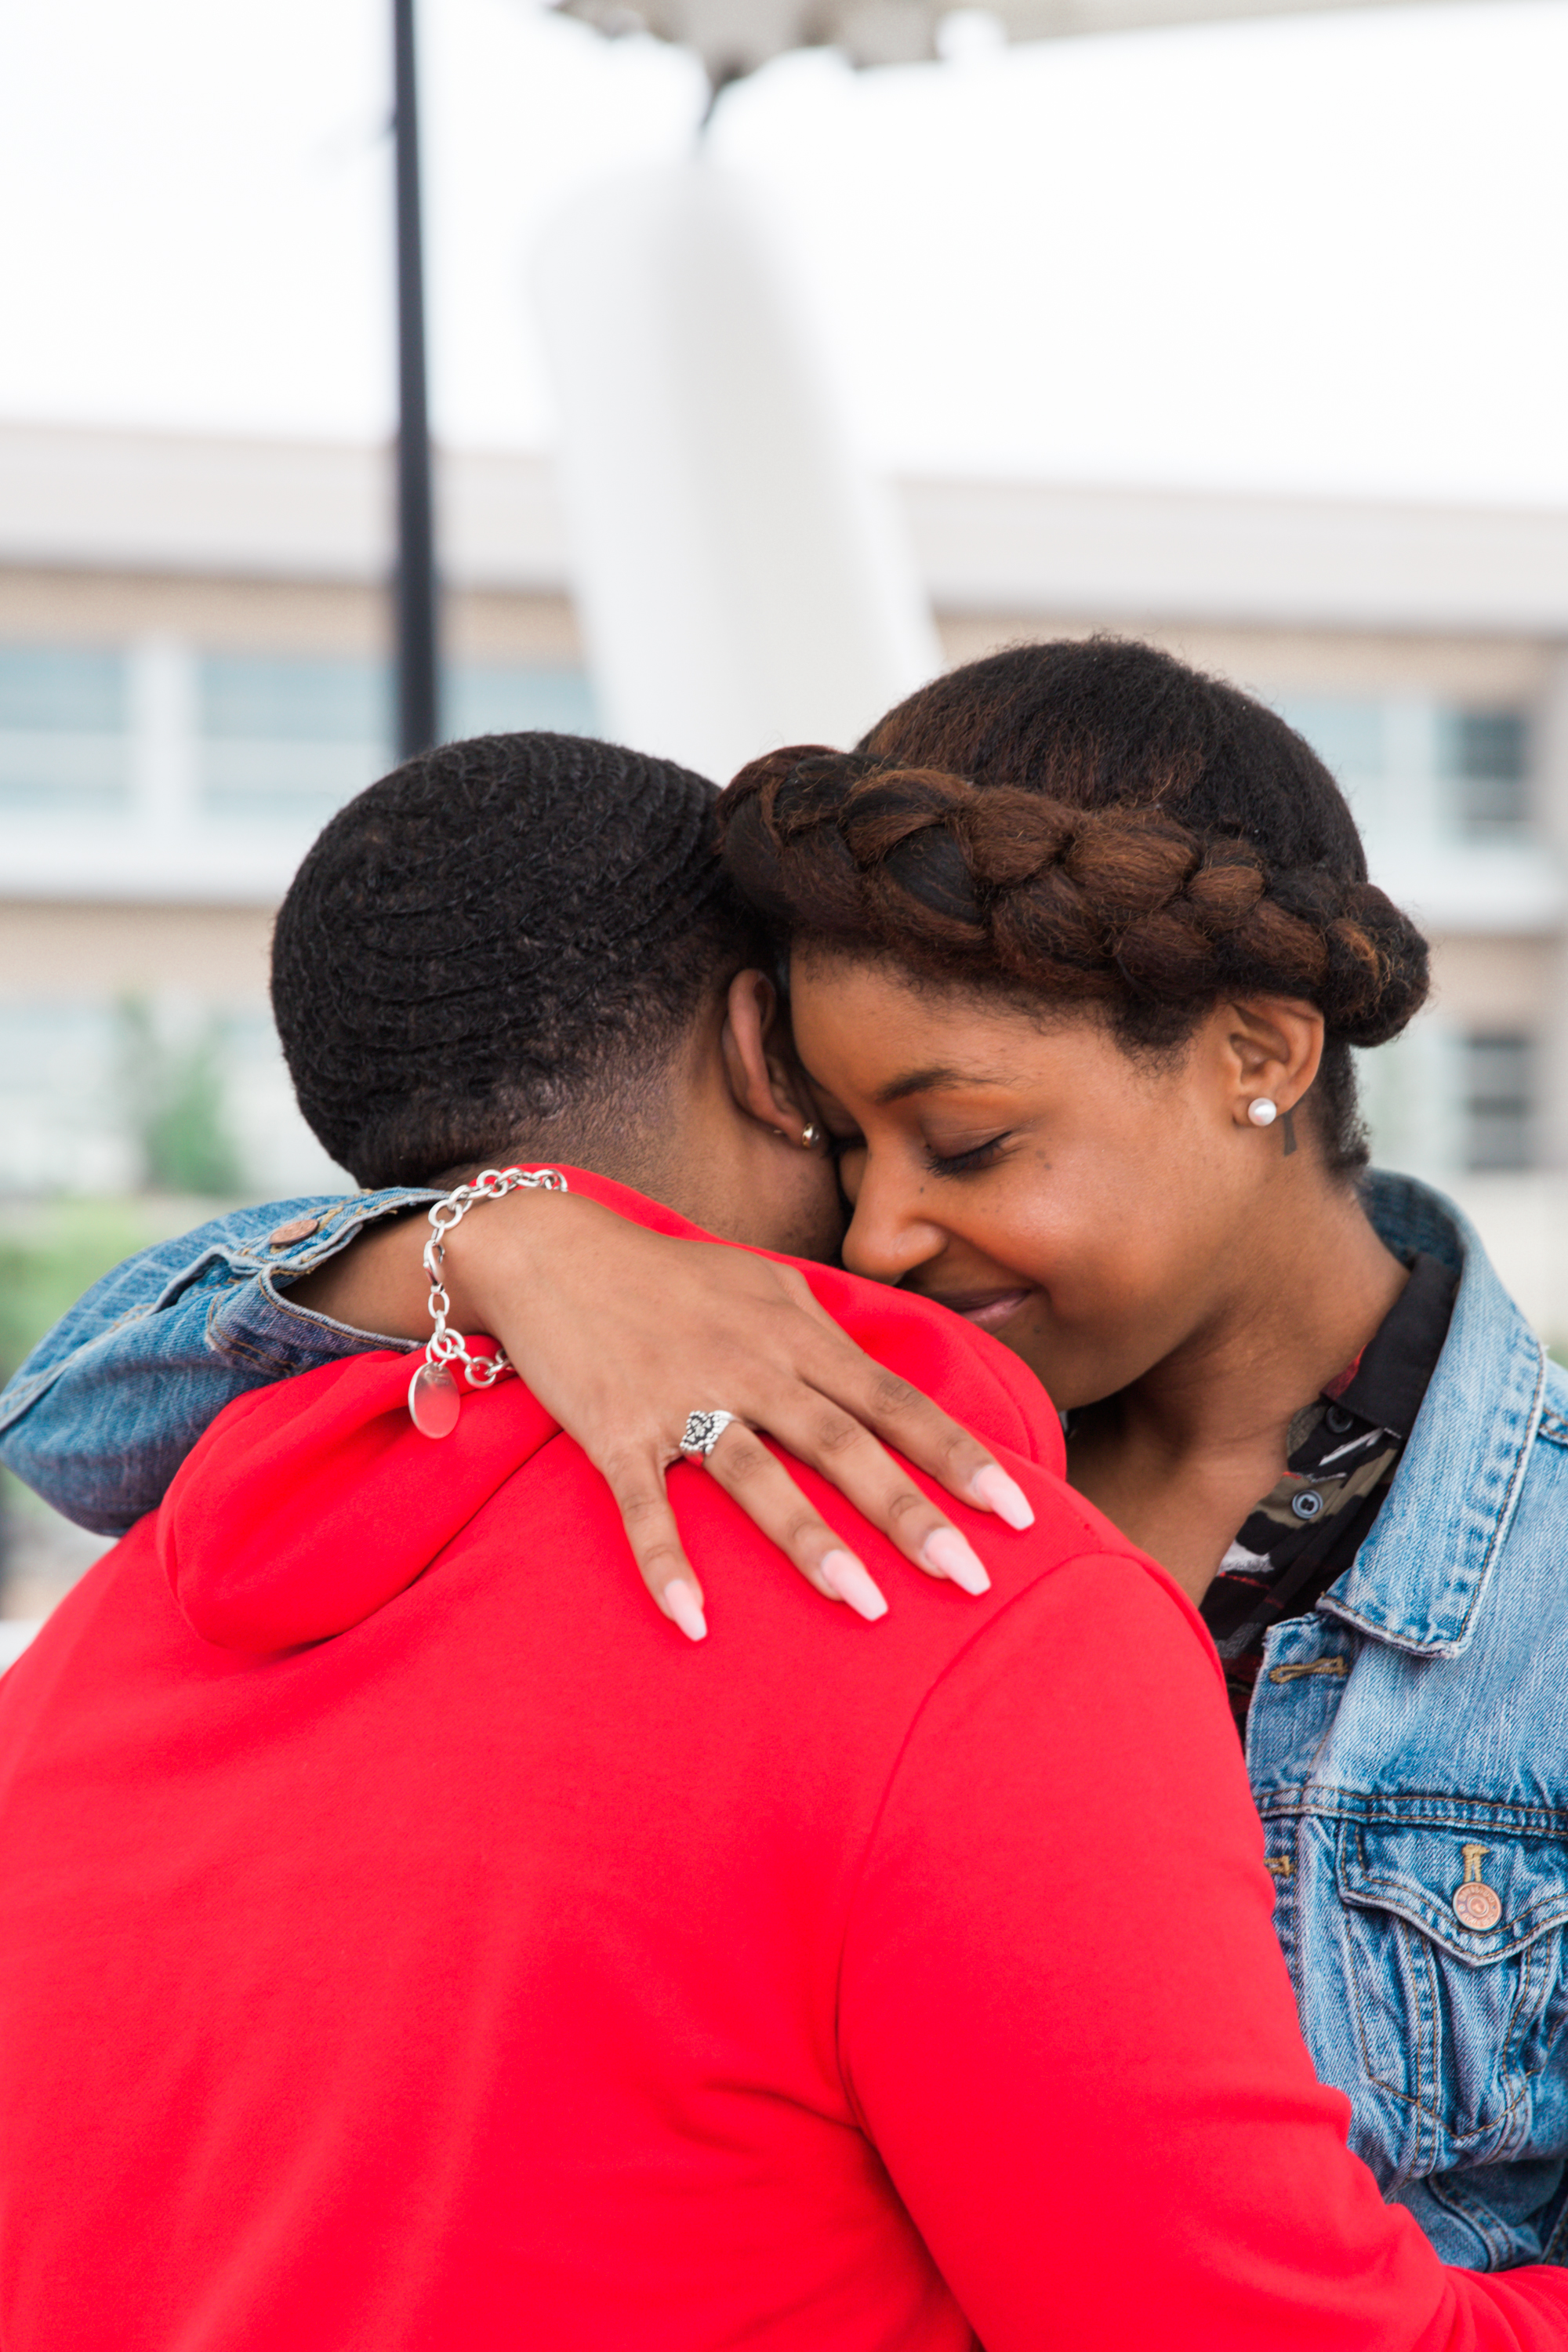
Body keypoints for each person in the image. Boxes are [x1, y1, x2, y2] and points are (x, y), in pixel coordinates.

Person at [5, 644, 1568, 2267]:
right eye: (839, 1135)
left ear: (1260, 1055)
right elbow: (78, 1416)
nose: (881, 1232)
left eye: (964, 1142)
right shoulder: (793, 1419)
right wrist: (505, 1239)